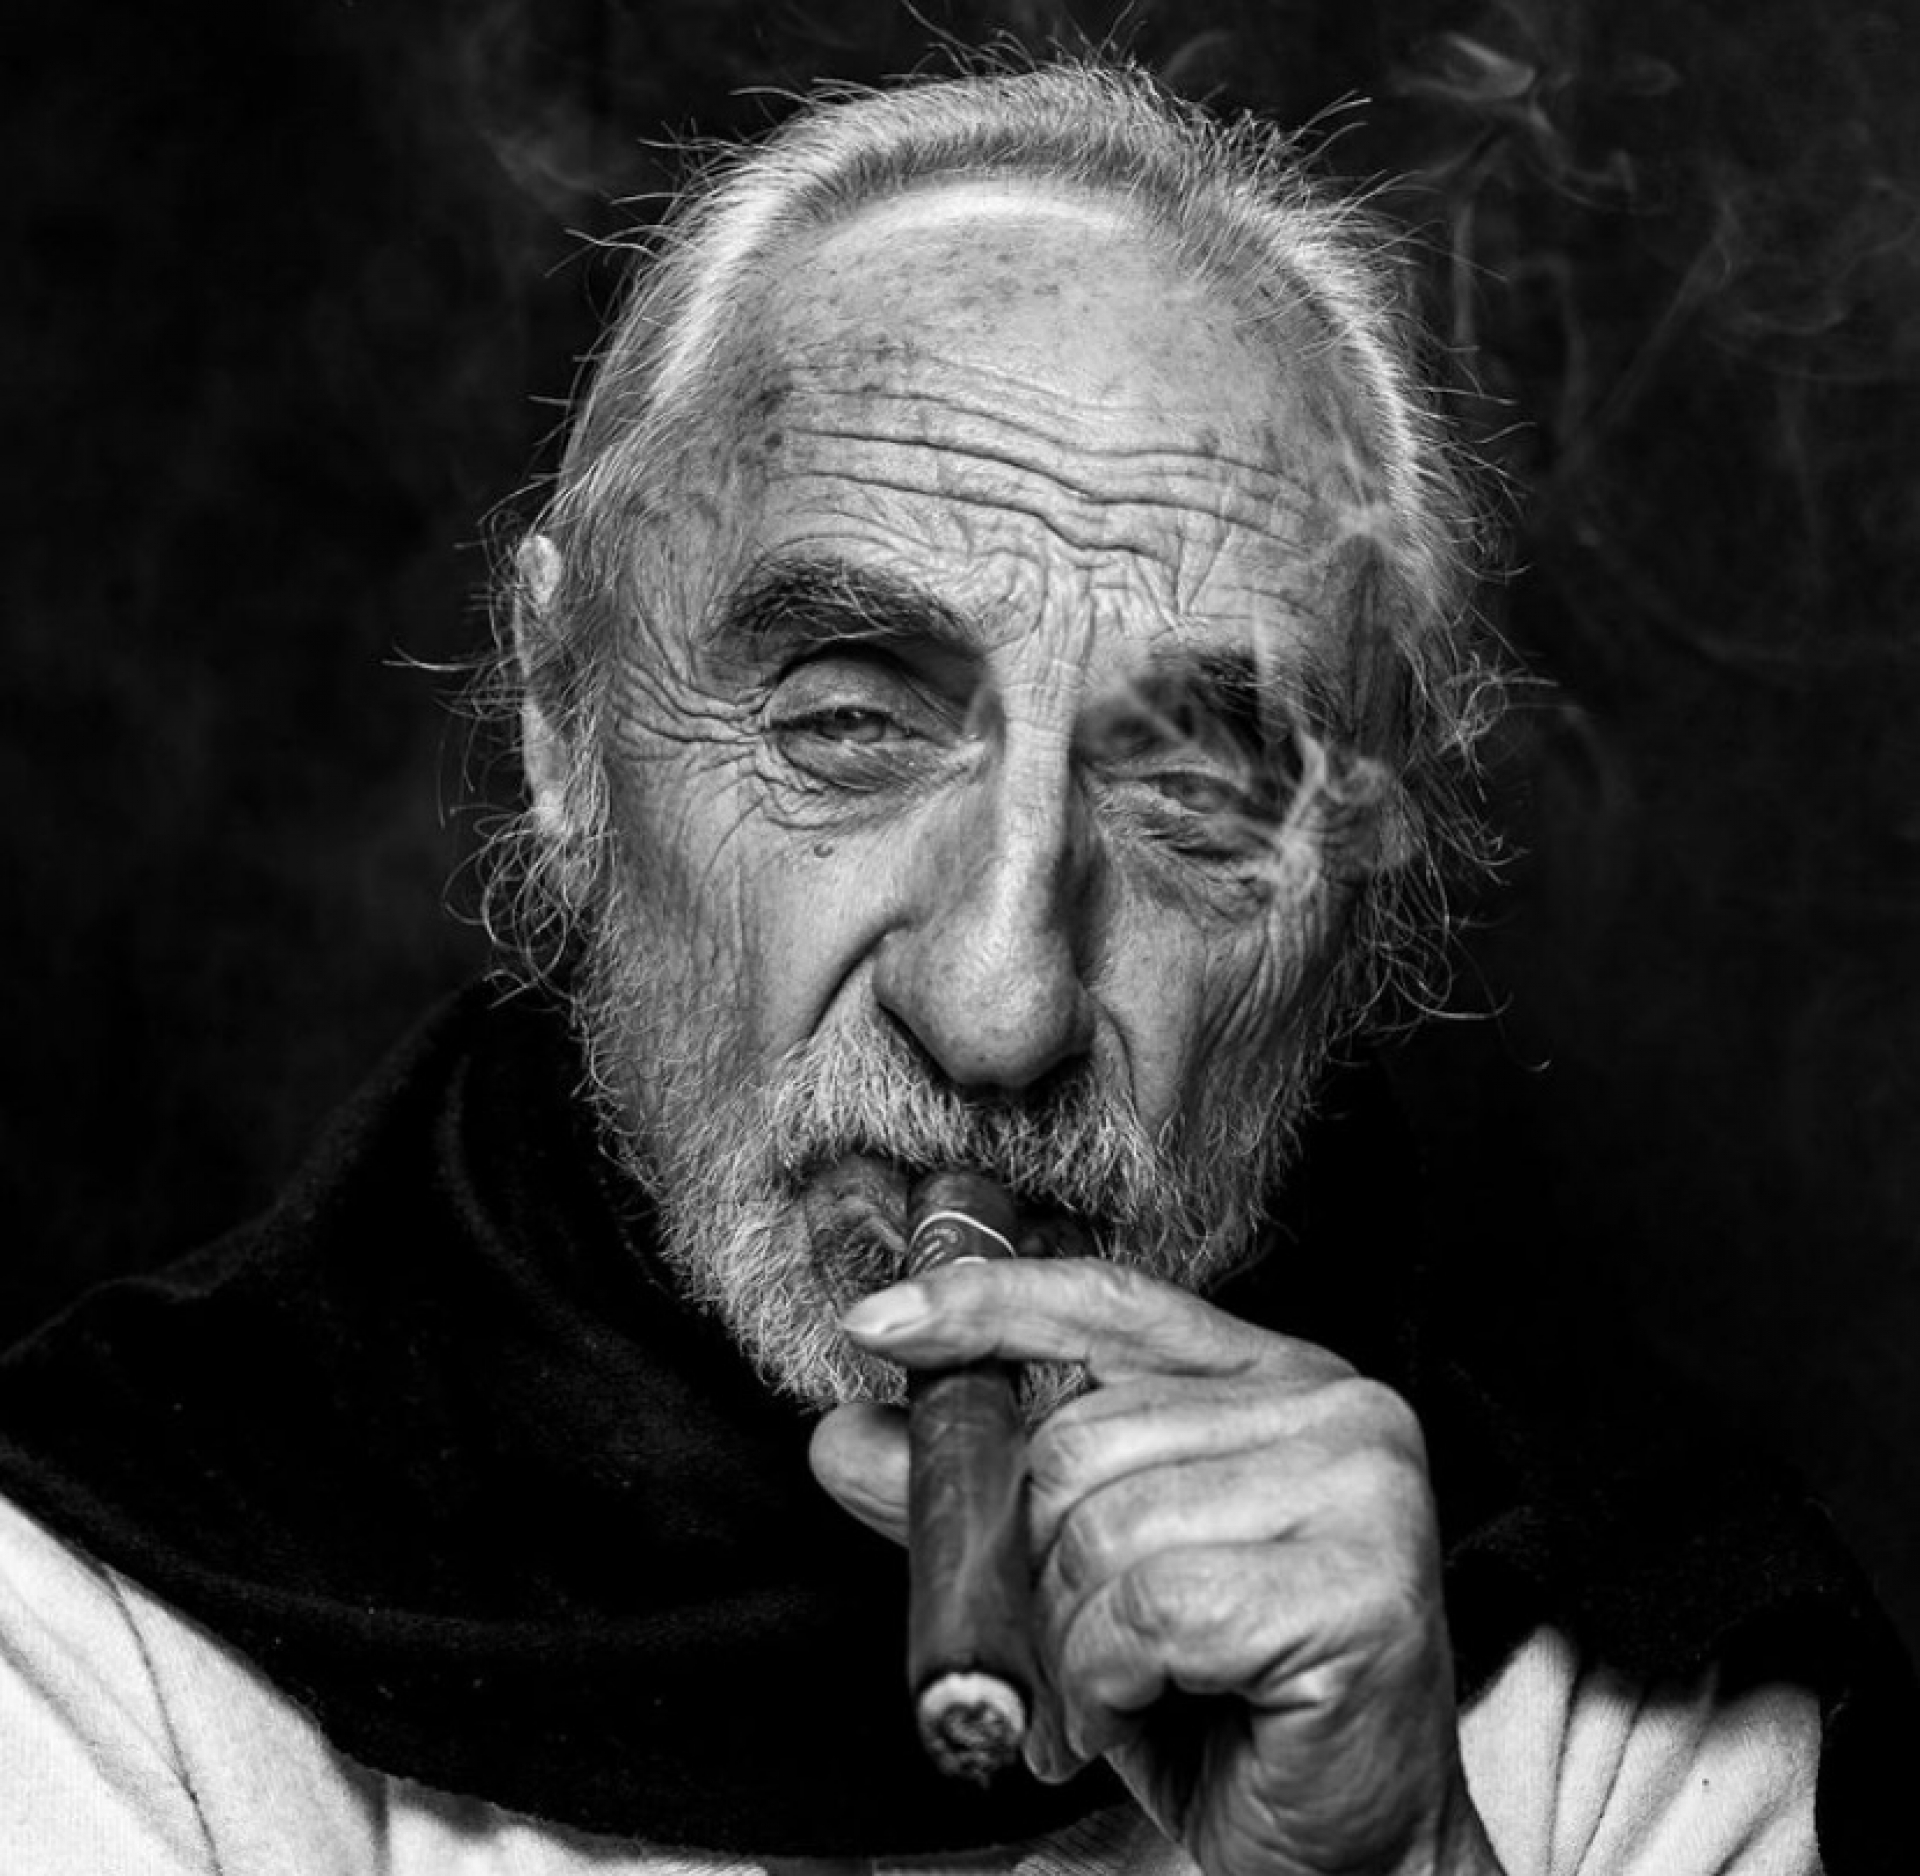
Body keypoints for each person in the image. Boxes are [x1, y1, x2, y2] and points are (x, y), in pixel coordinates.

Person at [0, 59, 1908, 1876]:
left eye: (1195, 790)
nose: (1001, 1008)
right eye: (847, 722)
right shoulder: (94, 1616)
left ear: (1361, 892)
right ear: (562, 724)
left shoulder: (1644, 1698)